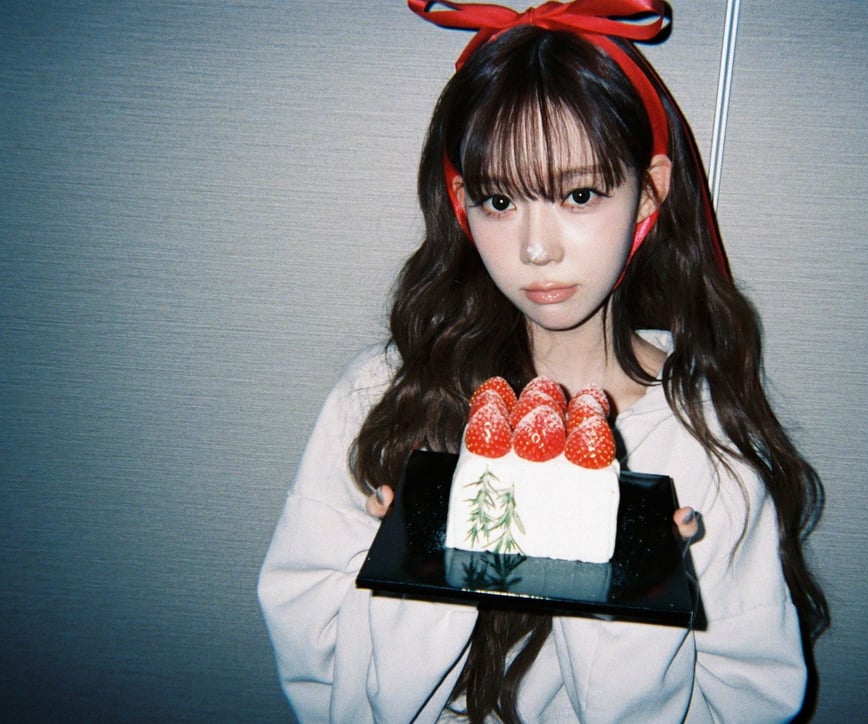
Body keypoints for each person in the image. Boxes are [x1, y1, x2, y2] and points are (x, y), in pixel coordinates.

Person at [258, 1, 829, 721]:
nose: (536, 248)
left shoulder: (701, 441)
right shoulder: (383, 396)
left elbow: (749, 703)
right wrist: (423, 567)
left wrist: (631, 587)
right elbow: (318, 676)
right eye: (499, 200)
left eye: (579, 195)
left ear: (649, 192)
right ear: (462, 202)